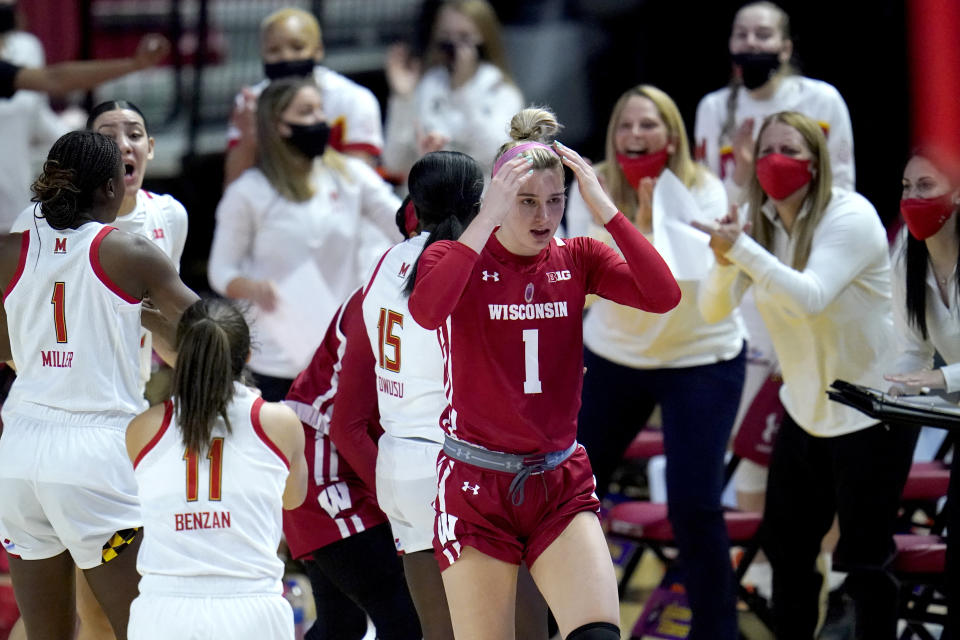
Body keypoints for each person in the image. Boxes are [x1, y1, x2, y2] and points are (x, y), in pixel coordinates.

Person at [407, 107, 680, 640]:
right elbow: (426, 311)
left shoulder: (578, 257)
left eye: (555, 201)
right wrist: (486, 218)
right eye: (526, 201)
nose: (543, 216)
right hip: (477, 485)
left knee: (598, 634)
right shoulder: (453, 256)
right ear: (499, 199)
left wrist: (605, 208)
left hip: (558, 480)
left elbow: (663, 294)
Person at [694, 111, 919, 640]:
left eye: (790, 149)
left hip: (873, 409)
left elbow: (812, 297)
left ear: (816, 164)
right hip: (804, 408)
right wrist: (727, 262)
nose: (776, 160)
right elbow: (710, 310)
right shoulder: (762, 224)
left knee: (864, 562)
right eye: (767, 149)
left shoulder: (850, 216)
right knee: (788, 552)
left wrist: (742, 250)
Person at [0, 130, 198, 640]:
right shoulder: (130, 251)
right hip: (95, 456)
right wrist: (152, 324)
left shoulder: (8, 249)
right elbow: (213, 333)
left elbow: (5, 351)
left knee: (48, 633)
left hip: (19, 452)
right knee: (146, 625)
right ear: (112, 188)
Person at [567, 85, 745, 639]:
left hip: (701, 358)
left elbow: (674, 284)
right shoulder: (589, 187)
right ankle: (550, 620)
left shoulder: (705, 188)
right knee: (565, 494)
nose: (636, 136)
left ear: (673, 135)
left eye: (649, 125)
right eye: (626, 125)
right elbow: (597, 284)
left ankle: (718, 632)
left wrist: (646, 230)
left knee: (695, 506)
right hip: (616, 355)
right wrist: (637, 224)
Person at [125, 297, 308, 640]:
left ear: (182, 357)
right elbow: (293, 500)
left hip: (163, 612)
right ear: (248, 357)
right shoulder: (280, 423)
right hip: (251, 612)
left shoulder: (143, 429)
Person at [208, 77, 399, 402]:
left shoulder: (350, 175)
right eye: (307, 112)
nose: (320, 120)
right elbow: (220, 270)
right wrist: (251, 287)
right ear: (278, 126)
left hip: (340, 355)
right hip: (273, 361)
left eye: (320, 110)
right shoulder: (250, 191)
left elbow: (401, 222)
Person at [282, 283, 423, 640]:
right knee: (405, 617)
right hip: (324, 455)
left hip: (359, 454)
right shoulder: (385, 293)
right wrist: (401, 507)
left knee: (340, 626)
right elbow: (347, 427)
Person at [882, 149, 960, 638]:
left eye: (925, 186)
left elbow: (933, 372)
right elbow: (913, 350)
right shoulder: (907, 252)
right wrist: (887, 394)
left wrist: (942, 378)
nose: (911, 198)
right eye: (906, 187)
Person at [0, 34, 171, 230]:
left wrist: (135, 64)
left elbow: (54, 79)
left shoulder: (22, 49)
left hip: (12, 208)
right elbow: (54, 79)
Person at [694, 1, 854, 206]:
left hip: (812, 231)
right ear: (730, 44)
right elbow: (707, 204)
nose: (750, 42)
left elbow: (842, 188)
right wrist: (743, 172)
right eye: (741, 35)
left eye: (763, 35)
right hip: (740, 234)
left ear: (785, 49)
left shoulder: (823, 99)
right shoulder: (712, 107)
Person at [224, 6, 383, 185]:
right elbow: (233, 187)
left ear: (318, 50)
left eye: (297, 47)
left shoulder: (354, 99)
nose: (286, 57)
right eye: (274, 50)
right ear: (262, 54)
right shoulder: (249, 104)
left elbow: (360, 185)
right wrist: (249, 138)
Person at [382, 0, 523, 182]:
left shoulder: (502, 93)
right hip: (429, 202)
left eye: (464, 37)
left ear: (484, 39)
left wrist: (463, 91)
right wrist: (403, 99)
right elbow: (394, 162)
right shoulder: (428, 85)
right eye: (446, 35)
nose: (454, 46)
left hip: (480, 201)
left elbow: (498, 156)